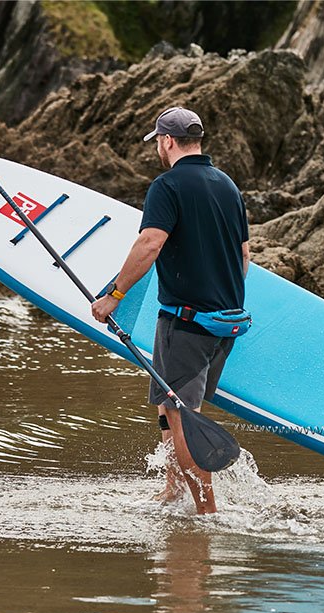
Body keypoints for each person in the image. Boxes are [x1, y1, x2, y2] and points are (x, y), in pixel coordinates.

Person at [92, 106, 250, 514]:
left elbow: (150, 244)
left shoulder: (168, 186)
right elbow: (244, 255)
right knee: (169, 406)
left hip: (187, 323)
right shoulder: (227, 186)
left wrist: (114, 295)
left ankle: (207, 513)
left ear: (166, 141)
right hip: (223, 323)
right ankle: (174, 491)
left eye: (158, 143)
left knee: (181, 414)